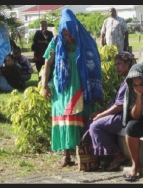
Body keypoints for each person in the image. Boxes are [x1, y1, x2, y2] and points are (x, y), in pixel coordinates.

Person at [41, 8, 103, 167]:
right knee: (65, 118)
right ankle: (66, 156)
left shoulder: (85, 41)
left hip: (82, 86)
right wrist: (44, 86)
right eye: (65, 35)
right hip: (63, 88)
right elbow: (47, 63)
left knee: (82, 118)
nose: (68, 38)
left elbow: (95, 63)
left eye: (70, 34)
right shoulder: (56, 42)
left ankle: (85, 154)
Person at [86, 51, 136, 171]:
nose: (116, 67)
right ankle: (101, 156)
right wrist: (99, 112)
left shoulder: (130, 81)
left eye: (119, 64)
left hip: (123, 116)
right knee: (89, 123)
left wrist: (101, 115)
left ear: (128, 63)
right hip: (116, 113)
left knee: (95, 126)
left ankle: (118, 156)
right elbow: (112, 104)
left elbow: (119, 106)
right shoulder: (124, 81)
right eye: (115, 65)